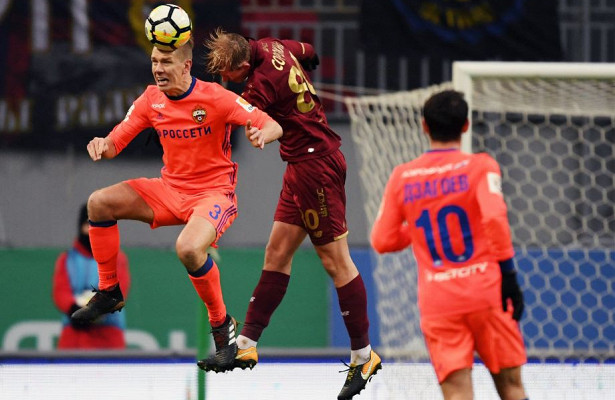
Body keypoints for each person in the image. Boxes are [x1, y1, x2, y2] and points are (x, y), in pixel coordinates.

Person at [70, 37, 283, 372]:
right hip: (169, 191)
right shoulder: (150, 99)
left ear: (186, 66)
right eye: (154, 61)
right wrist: (101, 143)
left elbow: (272, 124)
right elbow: (115, 143)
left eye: (166, 62)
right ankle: (109, 291)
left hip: (213, 195)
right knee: (99, 203)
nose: (158, 69)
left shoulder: (215, 97)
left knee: (188, 248)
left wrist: (261, 135)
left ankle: (221, 325)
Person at [202, 29, 381, 400]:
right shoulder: (272, 45)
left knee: (336, 261)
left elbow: (251, 119)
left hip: (316, 168)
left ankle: (364, 356)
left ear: (243, 65)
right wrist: (305, 69)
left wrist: (258, 132)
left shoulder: (260, 85)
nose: (225, 79)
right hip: (303, 166)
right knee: (277, 252)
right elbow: (309, 51)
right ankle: (247, 344)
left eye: (228, 73)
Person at [371, 90, 528, 400]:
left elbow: (382, 240)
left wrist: (418, 229)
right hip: (487, 292)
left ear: (424, 127)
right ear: (466, 126)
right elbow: (495, 218)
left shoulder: (403, 176)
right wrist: (509, 275)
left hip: (439, 301)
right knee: (511, 388)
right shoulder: (482, 166)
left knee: (456, 394)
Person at [52, 203, 131, 349]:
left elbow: (119, 290)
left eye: (98, 226)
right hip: (73, 338)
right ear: (81, 226)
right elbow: (61, 292)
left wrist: (95, 311)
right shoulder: (67, 259)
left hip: (109, 339)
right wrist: (74, 309)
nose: (92, 231)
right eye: (88, 225)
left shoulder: (118, 258)